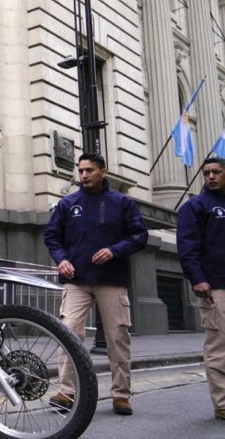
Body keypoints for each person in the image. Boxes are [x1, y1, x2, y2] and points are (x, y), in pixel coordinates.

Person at [44, 152, 148, 416]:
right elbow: (52, 236)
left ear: (104, 171)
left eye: (89, 170)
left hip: (111, 280)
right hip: (76, 280)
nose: (84, 175)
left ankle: (121, 395)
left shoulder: (122, 202)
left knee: (118, 337)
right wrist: (61, 259)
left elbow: (139, 236)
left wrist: (114, 250)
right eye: (81, 171)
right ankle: (66, 392)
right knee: (68, 333)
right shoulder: (68, 203)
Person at [176, 156, 225, 421]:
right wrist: (197, 278)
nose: (211, 177)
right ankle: (222, 403)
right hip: (214, 287)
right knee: (220, 346)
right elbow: (187, 246)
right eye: (207, 173)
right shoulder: (195, 207)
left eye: (216, 172)